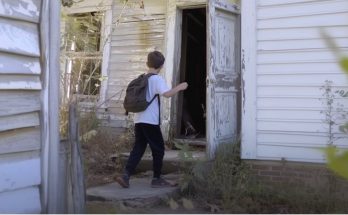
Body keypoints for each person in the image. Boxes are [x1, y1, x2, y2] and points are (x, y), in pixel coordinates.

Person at [116, 51, 188, 188]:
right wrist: (180, 87)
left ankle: (125, 176)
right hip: (150, 121)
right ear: (161, 65)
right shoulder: (156, 79)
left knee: (138, 148)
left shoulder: (142, 78)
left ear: (147, 63)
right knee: (159, 149)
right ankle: (156, 179)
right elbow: (167, 94)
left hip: (139, 119)